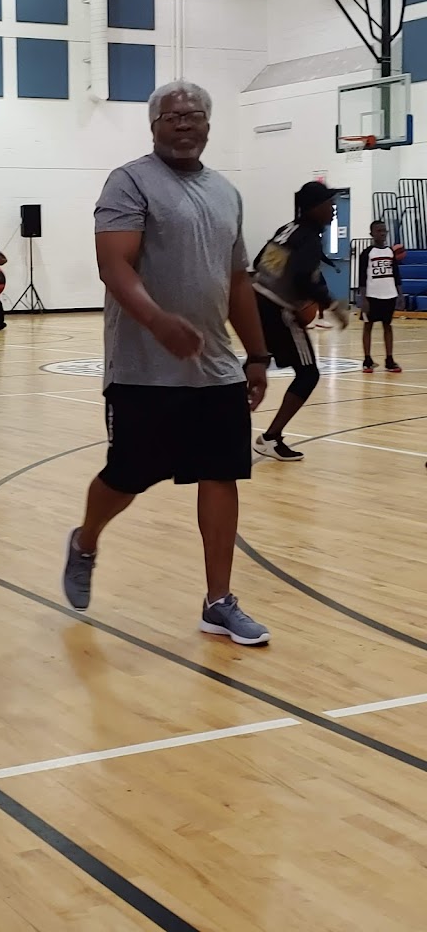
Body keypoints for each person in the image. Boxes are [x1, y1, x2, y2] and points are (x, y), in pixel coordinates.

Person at [62, 80, 271, 647]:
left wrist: (256, 354)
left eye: (193, 114)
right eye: (172, 116)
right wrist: (156, 321)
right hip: (143, 369)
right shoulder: (129, 182)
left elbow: (236, 280)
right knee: (128, 476)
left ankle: (218, 602)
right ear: (154, 126)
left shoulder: (226, 193)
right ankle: (85, 541)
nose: (183, 123)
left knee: (222, 473)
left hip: (216, 368)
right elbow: (114, 264)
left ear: (208, 124)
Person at [252, 182, 349, 462]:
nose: (333, 209)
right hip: (277, 309)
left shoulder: (287, 229)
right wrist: (332, 306)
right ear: (314, 208)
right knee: (308, 373)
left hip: (257, 301)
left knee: (255, 365)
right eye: (329, 204)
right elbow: (302, 278)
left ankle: (219, 425)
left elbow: (259, 262)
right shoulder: (308, 237)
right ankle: (270, 438)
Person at [359, 219, 403, 373]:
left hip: (389, 294)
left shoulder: (390, 251)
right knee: (368, 326)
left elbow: (396, 275)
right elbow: (362, 277)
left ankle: (389, 359)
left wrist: (400, 294)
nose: (382, 233)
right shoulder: (367, 253)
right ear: (371, 234)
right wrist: (363, 298)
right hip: (372, 295)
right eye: (379, 231)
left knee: (388, 326)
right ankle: (367, 360)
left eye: (384, 230)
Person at [309, 251, 342, 329]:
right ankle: (308, 319)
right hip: (305, 274)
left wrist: (334, 265)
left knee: (323, 290)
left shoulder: (315, 247)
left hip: (316, 272)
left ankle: (320, 317)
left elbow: (323, 257)